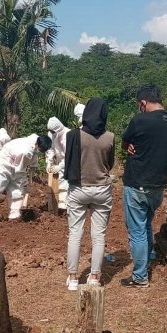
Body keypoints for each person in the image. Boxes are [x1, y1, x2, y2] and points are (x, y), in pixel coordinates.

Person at [120, 84, 167, 288]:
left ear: (143, 102)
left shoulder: (140, 121)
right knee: (146, 224)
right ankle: (147, 259)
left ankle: (140, 277)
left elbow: (124, 142)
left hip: (137, 182)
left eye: (140, 105)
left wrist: (129, 145)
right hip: (158, 185)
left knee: (136, 230)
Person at [64, 97, 115, 291]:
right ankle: (94, 276)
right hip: (102, 189)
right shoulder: (109, 137)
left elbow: (69, 160)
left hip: (79, 189)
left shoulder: (73, 135)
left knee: (75, 234)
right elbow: (110, 164)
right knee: (98, 236)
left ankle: (73, 277)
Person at [0, 134, 52, 222]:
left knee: (17, 192)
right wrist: (25, 183)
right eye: (41, 150)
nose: (41, 152)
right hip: (3, 165)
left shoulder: (36, 140)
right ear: (37, 145)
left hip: (13, 163)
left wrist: (34, 165)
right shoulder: (25, 152)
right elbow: (19, 171)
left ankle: (14, 216)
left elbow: (33, 157)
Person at [46, 117, 70, 210]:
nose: (51, 133)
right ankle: (59, 202)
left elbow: (69, 154)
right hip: (59, 160)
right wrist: (49, 161)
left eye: (53, 131)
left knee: (67, 180)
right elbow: (50, 148)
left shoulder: (67, 135)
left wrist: (60, 166)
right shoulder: (51, 134)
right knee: (59, 180)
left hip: (68, 161)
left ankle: (65, 203)